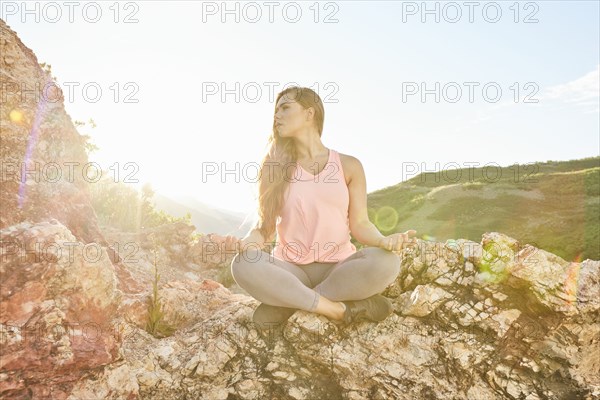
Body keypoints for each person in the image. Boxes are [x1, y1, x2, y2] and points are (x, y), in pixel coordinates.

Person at [219, 86, 417, 333]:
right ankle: (340, 310)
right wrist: (245, 245)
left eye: (285, 107)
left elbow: (361, 224)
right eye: (275, 110)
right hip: (291, 271)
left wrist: (383, 240)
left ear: (309, 113)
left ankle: (289, 304)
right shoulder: (275, 168)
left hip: (339, 270)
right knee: (243, 264)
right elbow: (265, 227)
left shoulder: (349, 165)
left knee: (387, 262)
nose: (276, 115)